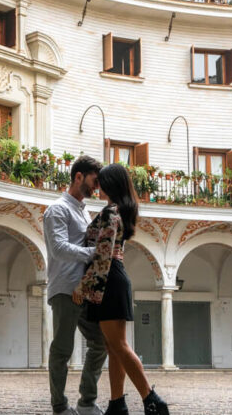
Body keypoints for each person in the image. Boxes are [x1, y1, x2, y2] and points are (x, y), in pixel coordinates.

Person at [72, 164, 170, 415]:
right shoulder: (120, 212)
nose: (98, 186)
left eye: (101, 182)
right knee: (115, 346)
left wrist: (82, 288)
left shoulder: (109, 213)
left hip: (108, 281)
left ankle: (152, 400)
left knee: (119, 345)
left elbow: (102, 257)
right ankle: (117, 403)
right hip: (115, 278)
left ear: (111, 184)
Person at [43, 155, 107, 415]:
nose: (96, 186)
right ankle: (59, 406)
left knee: (101, 342)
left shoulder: (84, 211)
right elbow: (58, 248)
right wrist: (94, 253)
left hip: (85, 289)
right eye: (94, 180)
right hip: (64, 289)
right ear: (78, 176)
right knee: (62, 348)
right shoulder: (57, 209)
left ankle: (86, 401)